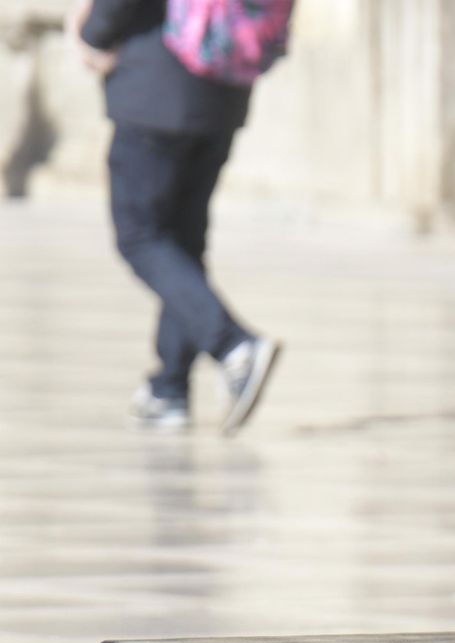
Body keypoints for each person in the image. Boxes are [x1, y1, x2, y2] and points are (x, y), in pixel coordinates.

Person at [69, 0, 284, 434]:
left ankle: (234, 346)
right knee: (182, 243)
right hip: (223, 85)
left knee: (139, 236)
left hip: (157, 84)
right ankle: (169, 389)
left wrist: (92, 35)